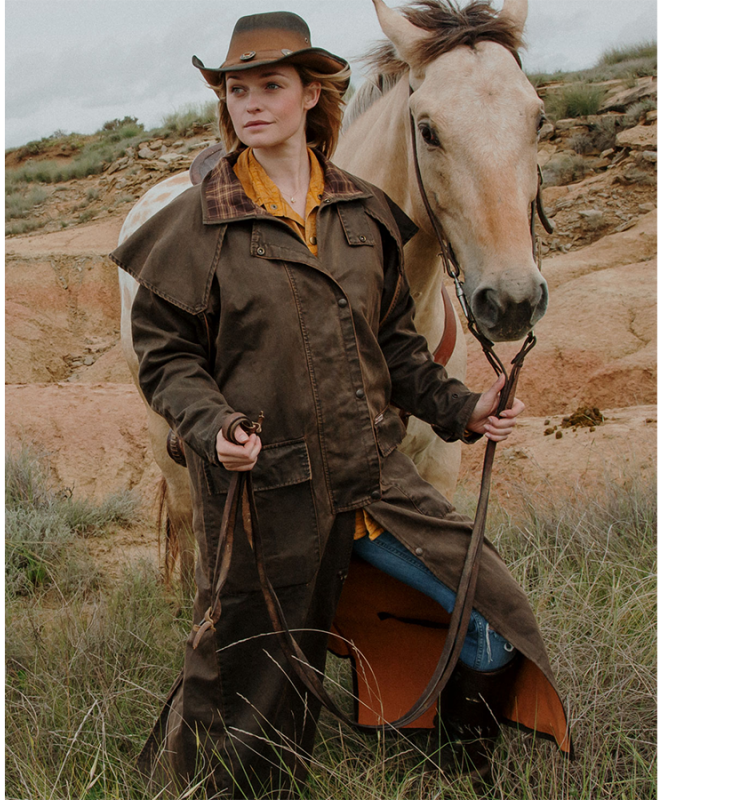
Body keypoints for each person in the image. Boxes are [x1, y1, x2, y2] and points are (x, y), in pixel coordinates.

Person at [111, 11, 568, 798]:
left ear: (311, 95)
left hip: (370, 476)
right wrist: (211, 426)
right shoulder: (188, 229)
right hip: (269, 488)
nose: (251, 103)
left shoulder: (363, 216)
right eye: (237, 90)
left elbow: (396, 346)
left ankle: (446, 762)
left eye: (270, 86)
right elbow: (166, 357)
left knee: (492, 622)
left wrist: (463, 409)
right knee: (250, 697)